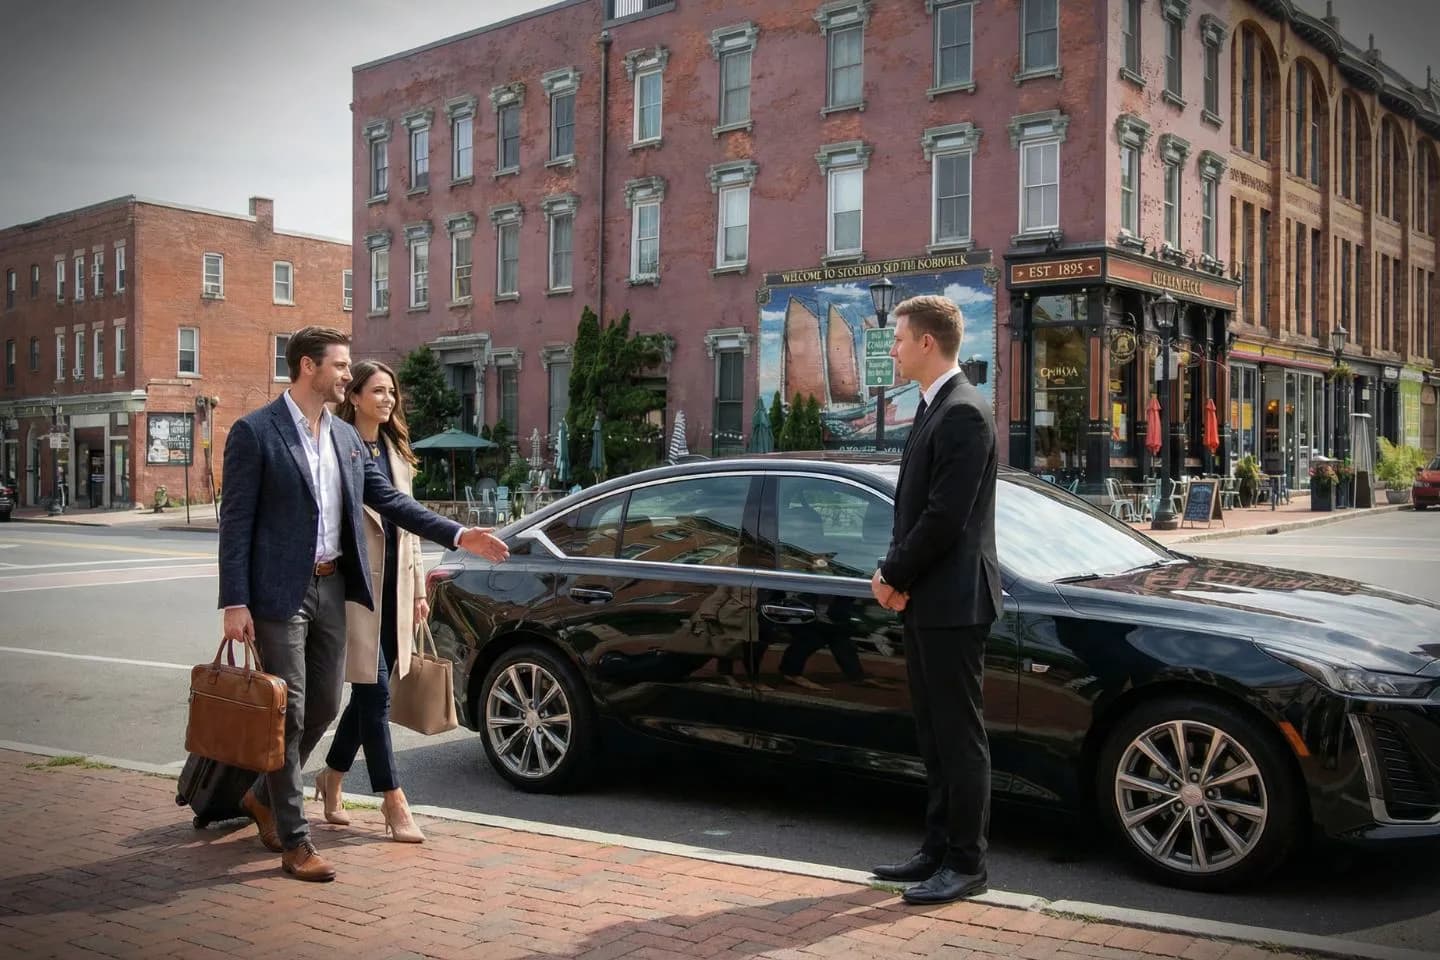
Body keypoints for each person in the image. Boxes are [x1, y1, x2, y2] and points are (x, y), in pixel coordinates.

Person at [218, 327, 508, 882]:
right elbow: (235, 522)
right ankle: (296, 840)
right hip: (280, 592)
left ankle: (261, 797)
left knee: (326, 706)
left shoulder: (347, 441)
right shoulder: (256, 432)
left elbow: (392, 502)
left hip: (334, 587)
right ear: (308, 367)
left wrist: (457, 535)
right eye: (341, 366)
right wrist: (235, 600)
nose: (348, 375)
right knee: (292, 710)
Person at [869, 295, 1001, 906]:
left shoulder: (964, 413)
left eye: (898, 339)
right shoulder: (932, 407)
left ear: (927, 342)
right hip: (928, 599)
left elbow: (944, 518)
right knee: (932, 731)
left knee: (959, 735)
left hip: (955, 602)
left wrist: (892, 573)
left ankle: (967, 864)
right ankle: (936, 849)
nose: (891, 349)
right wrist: (901, 580)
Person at [315, 359, 428, 844]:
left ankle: (331, 778)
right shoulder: (338, 446)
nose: (387, 400)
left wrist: (420, 589)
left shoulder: (396, 451)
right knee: (374, 693)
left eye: (391, 392)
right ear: (354, 396)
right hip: (357, 590)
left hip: (397, 589)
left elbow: (412, 526)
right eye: (377, 391)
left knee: (368, 695)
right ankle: (393, 800)